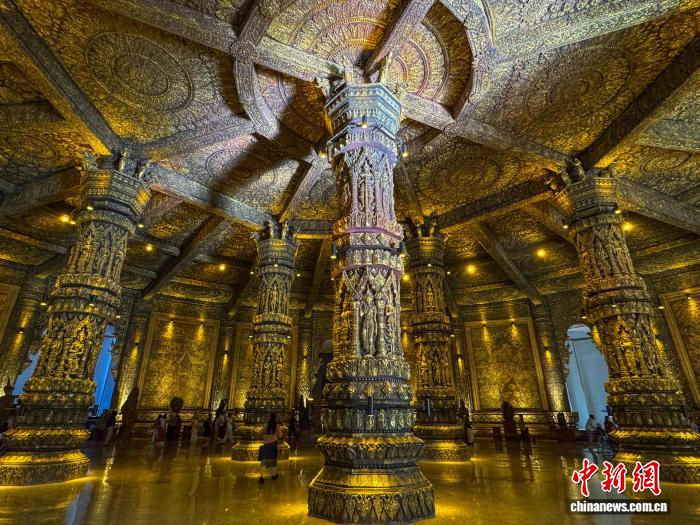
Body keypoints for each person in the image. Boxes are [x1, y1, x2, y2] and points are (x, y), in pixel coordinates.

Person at [258, 413, 283, 484]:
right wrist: (274, 436)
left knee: (264, 461)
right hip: (273, 445)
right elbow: (280, 435)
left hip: (266, 445)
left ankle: (261, 477)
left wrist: (265, 436)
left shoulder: (266, 425)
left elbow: (260, 432)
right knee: (273, 461)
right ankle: (273, 475)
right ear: (275, 418)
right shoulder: (277, 426)